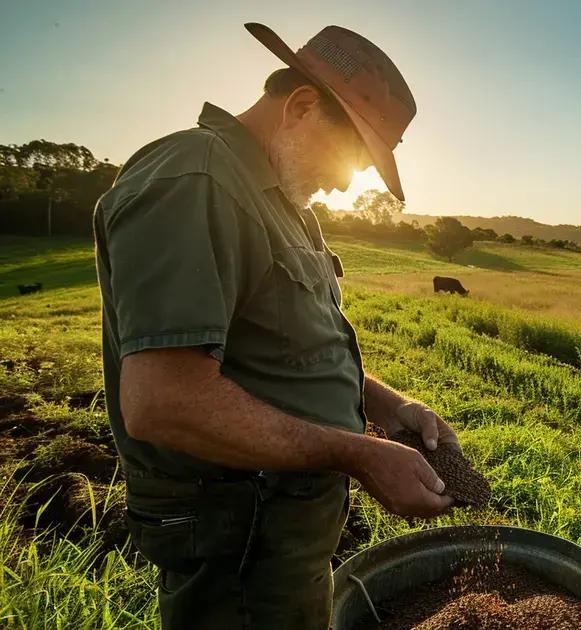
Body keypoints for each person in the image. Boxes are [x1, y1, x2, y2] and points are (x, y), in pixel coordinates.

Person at [92, 23, 456, 629]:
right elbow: (164, 401)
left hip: (282, 527)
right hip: (237, 534)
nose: (346, 182)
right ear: (302, 107)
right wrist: (359, 455)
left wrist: (389, 408)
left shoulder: (283, 201)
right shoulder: (195, 182)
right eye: (352, 159)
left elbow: (287, 349)